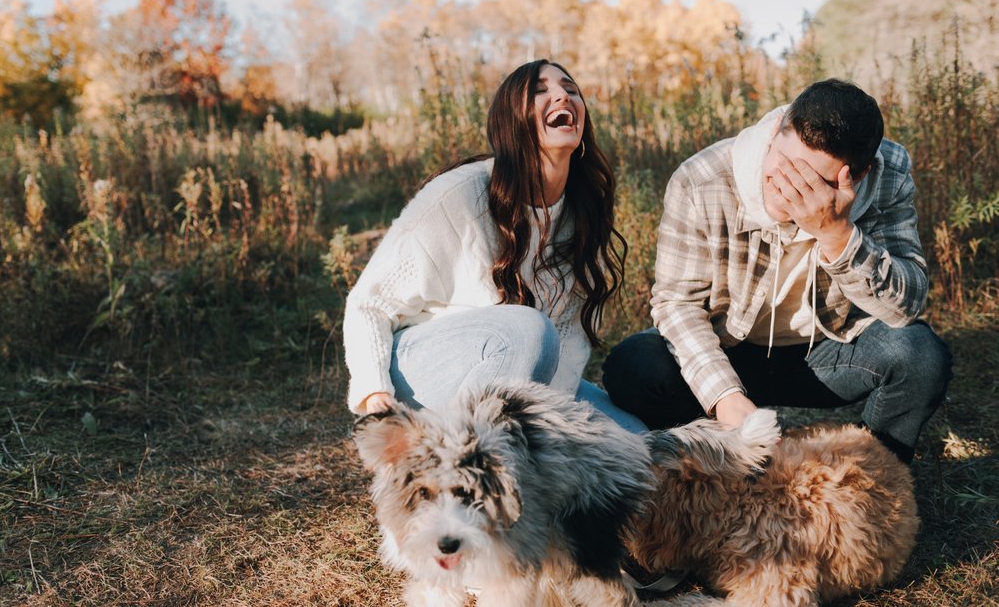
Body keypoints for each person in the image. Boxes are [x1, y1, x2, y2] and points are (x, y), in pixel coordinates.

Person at [603, 78, 952, 464]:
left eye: (811, 181)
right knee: (634, 365)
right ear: (776, 130)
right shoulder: (702, 179)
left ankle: (875, 481)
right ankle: (705, 467)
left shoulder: (890, 173)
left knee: (921, 357)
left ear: (858, 175)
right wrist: (725, 397)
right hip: (729, 346)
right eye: (784, 165)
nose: (787, 187)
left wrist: (839, 237)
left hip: (831, 349)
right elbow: (676, 304)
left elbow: (908, 303)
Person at [344, 59, 643, 432]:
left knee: (636, 441)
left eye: (570, 88)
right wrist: (377, 400)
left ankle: (516, 450)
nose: (561, 96)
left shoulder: (585, 210)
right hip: (423, 372)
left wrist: (558, 430)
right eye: (540, 91)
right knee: (526, 330)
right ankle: (457, 462)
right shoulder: (458, 197)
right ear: (510, 120)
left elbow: (568, 340)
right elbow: (369, 302)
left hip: (523, 381)